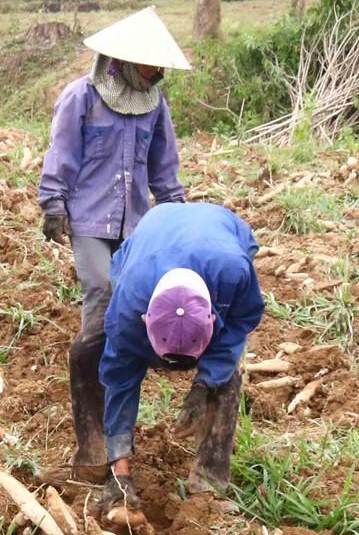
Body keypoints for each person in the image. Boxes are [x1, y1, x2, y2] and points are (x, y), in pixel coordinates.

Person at [36, 6, 193, 484]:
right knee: (101, 292)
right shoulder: (81, 98)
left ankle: (119, 386)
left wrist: (178, 215)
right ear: (124, 61)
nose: (157, 74)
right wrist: (53, 203)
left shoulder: (154, 105)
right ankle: (95, 398)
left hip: (135, 225)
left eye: (160, 68)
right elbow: (61, 153)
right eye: (150, 67)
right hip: (88, 219)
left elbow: (164, 169)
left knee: (130, 305)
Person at [96, 202, 265, 518]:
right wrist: (120, 472)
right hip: (151, 239)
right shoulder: (127, 310)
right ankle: (108, 464)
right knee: (109, 357)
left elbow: (244, 317)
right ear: (145, 320)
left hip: (220, 229)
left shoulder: (235, 272)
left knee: (226, 379)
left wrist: (206, 381)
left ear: (214, 318)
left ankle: (209, 488)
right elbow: (120, 381)